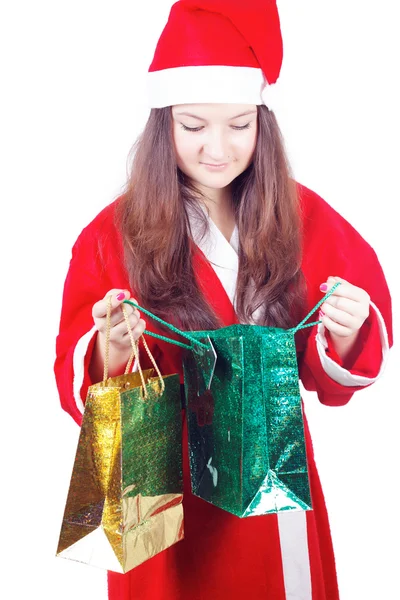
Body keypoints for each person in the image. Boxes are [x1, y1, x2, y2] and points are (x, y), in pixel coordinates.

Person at [54, 1, 393, 599]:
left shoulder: (300, 215)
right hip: (159, 488)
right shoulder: (111, 235)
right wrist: (109, 346)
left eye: (240, 124)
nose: (218, 147)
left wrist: (345, 329)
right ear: (164, 123)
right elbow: (79, 377)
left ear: (262, 121)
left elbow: (338, 366)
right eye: (194, 126)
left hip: (271, 471)